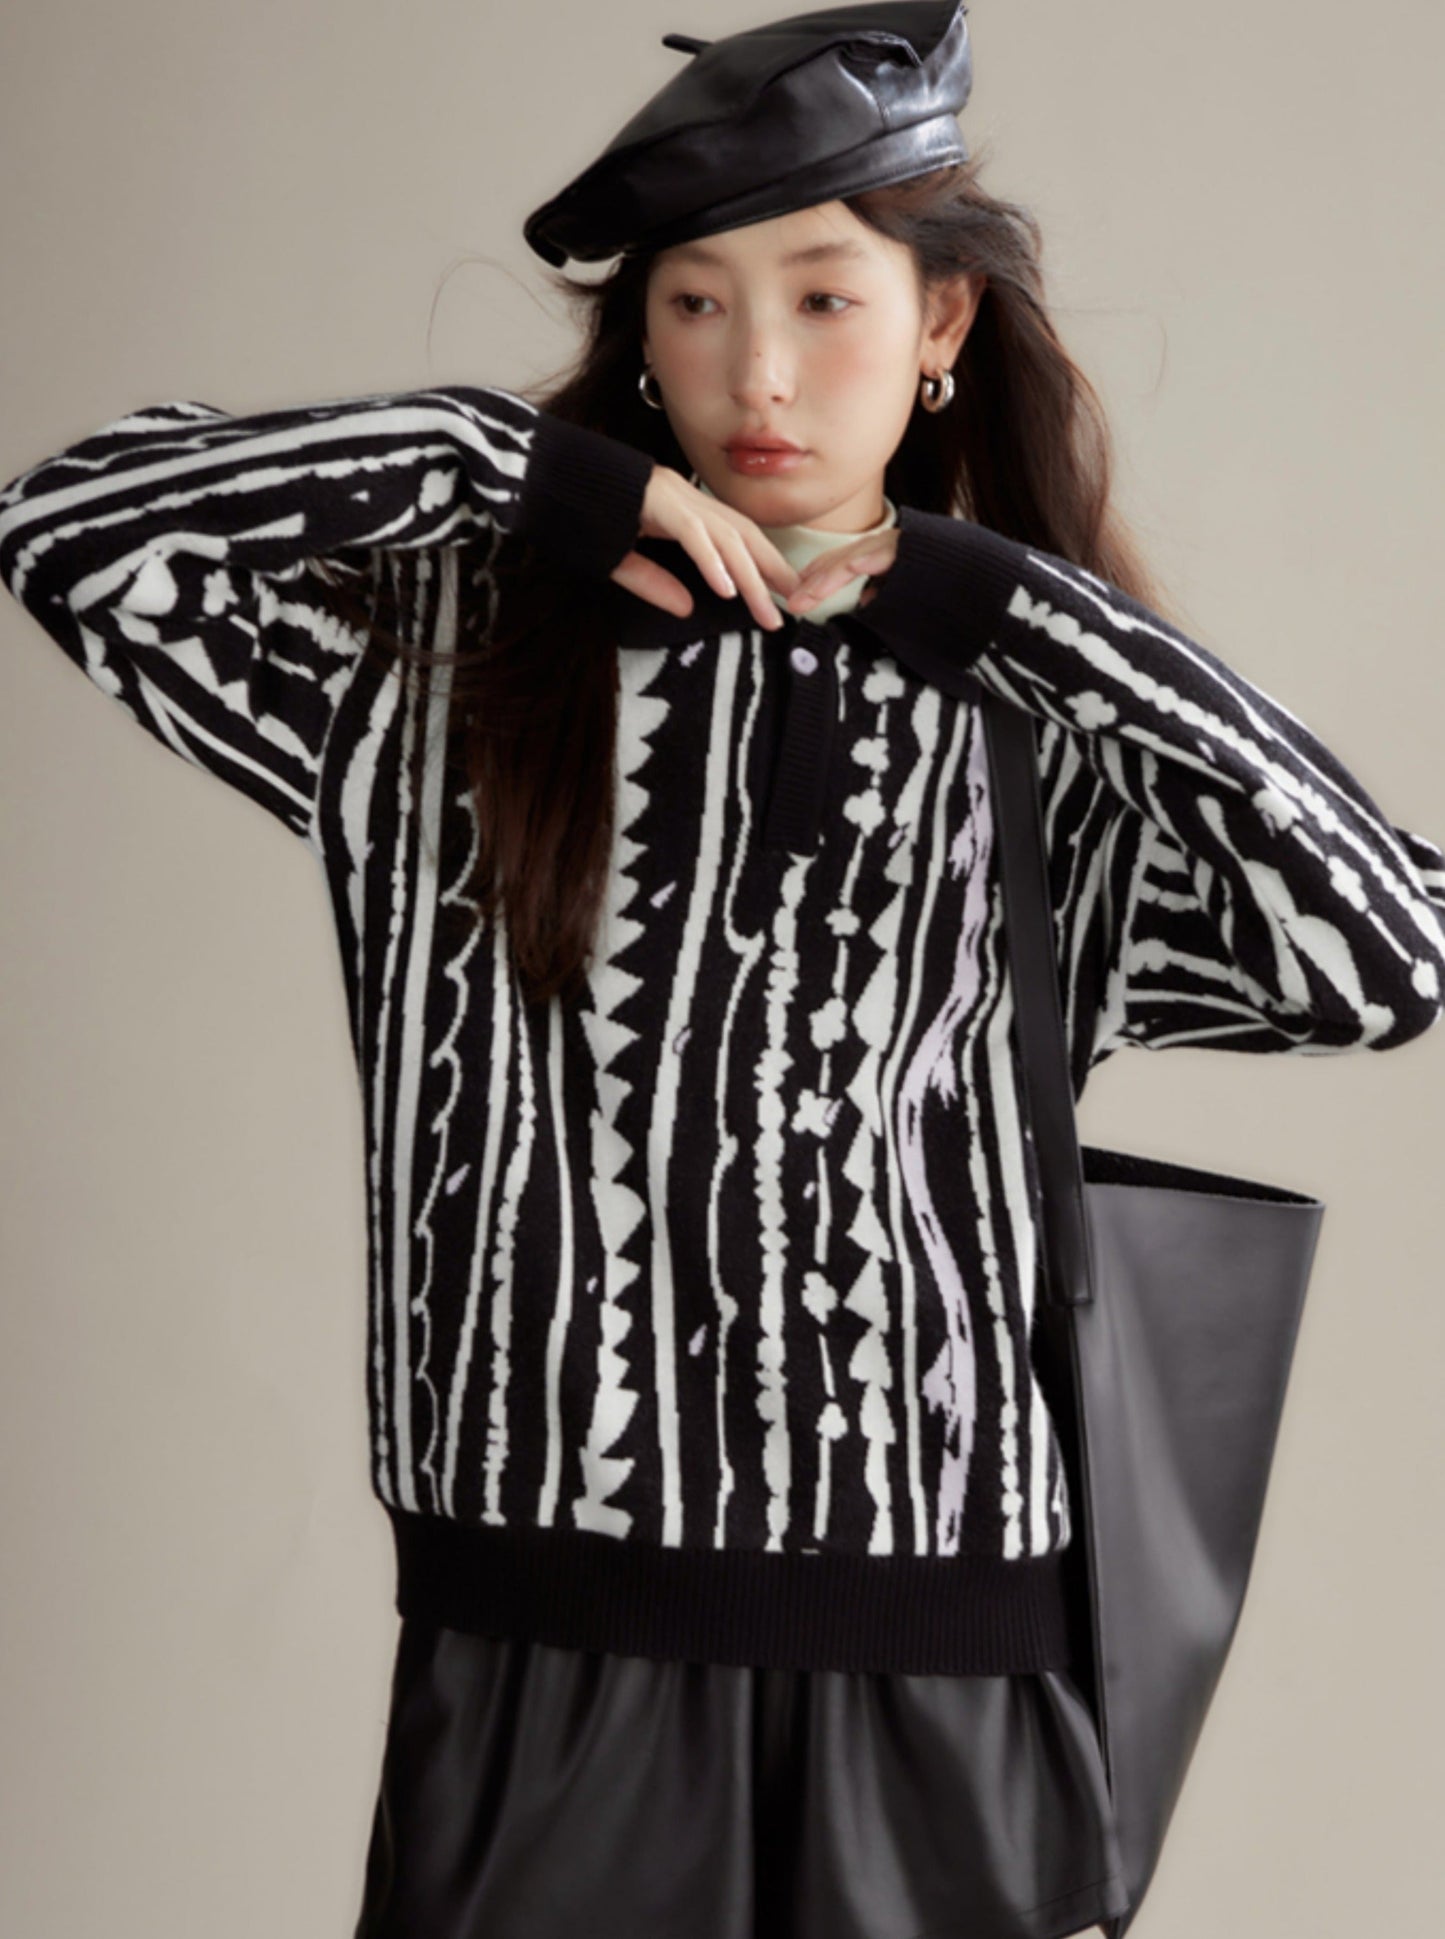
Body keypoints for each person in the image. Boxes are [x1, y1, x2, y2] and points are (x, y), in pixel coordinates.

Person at [2, 5, 1442, 1936]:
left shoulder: (1039, 735)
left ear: (941, 321)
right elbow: (70, 527)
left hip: (946, 1645)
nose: (753, 371)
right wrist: (510, 474)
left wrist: (1027, 616)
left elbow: (1385, 958)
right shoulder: (450, 677)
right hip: (541, 1625)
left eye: (825, 299)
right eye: (692, 304)